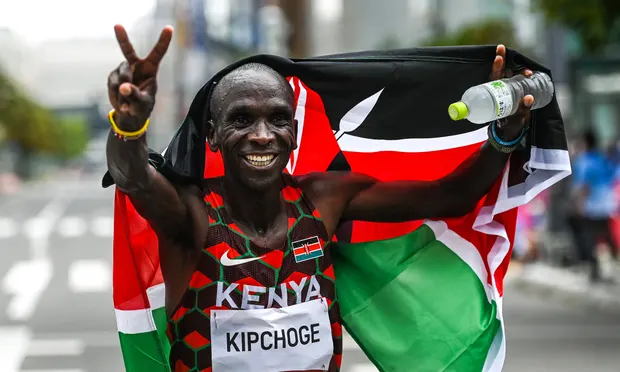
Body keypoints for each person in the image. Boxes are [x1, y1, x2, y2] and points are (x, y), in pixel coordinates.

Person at [106, 24, 534, 372]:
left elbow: (451, 197)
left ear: (293, 132)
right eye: (242, 119)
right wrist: (128, 128)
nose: (261, 135)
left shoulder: (324, 199)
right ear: (213, 135)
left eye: (277, 119)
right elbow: (133, 178)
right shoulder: (191, 215)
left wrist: (505, 134)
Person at [568, 130, 619, 283]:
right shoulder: (602, 158)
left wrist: (577, 204)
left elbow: (582, 186)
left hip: (593, 205)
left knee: (592, 238)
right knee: (605, 237)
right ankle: (609, 268)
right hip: (608, 204)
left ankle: (596, 270)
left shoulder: (584, 161)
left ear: (585, 142)